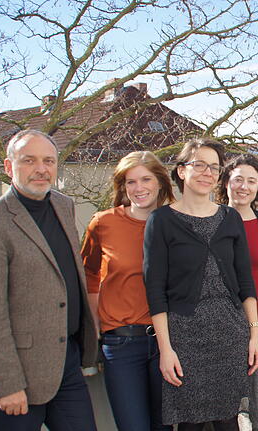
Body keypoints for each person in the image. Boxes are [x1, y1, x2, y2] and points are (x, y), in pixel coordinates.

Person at [0, 129, 98, 430]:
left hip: (66, 363)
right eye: (29, 160)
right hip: (16, 373)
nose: (41, 169)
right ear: (9, 167)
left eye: (49, 161)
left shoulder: (63, 205)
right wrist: (7, 383)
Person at [143, 138, 258, 431]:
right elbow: (155, 289)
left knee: (227, 421)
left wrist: (254, 335)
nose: (207, 172)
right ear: (182, 171)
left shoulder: (230, 217)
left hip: (229, 335)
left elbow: (246, 283)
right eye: (199, 165)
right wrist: (166, 349)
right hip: (184, 339)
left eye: (214, 167)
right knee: (189, 424)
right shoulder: (161, 220)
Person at [81, 151, 175, 431]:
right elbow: (89, 275)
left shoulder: (176, 223)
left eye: (146, 179)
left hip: (168, 344)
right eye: (130, 182)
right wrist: (96, 329)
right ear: (122, 187)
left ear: (160, 182)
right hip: (121, 344)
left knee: (165, 426)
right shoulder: (103, 222)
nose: (138, 188)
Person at [216, 154, 258, 431]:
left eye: (251, 181)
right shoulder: (211, 221)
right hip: (221, 325)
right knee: (224, 410)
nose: (244, 186)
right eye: (238, 179)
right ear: (226, 182)